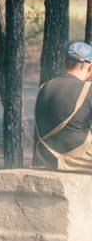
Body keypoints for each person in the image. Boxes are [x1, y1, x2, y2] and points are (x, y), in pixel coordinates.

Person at [34, 41, 92, 173]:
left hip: (48, 157)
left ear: (65, 63)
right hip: (77, 160)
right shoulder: (89, 90)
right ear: (90, 68)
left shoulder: (44, 87)